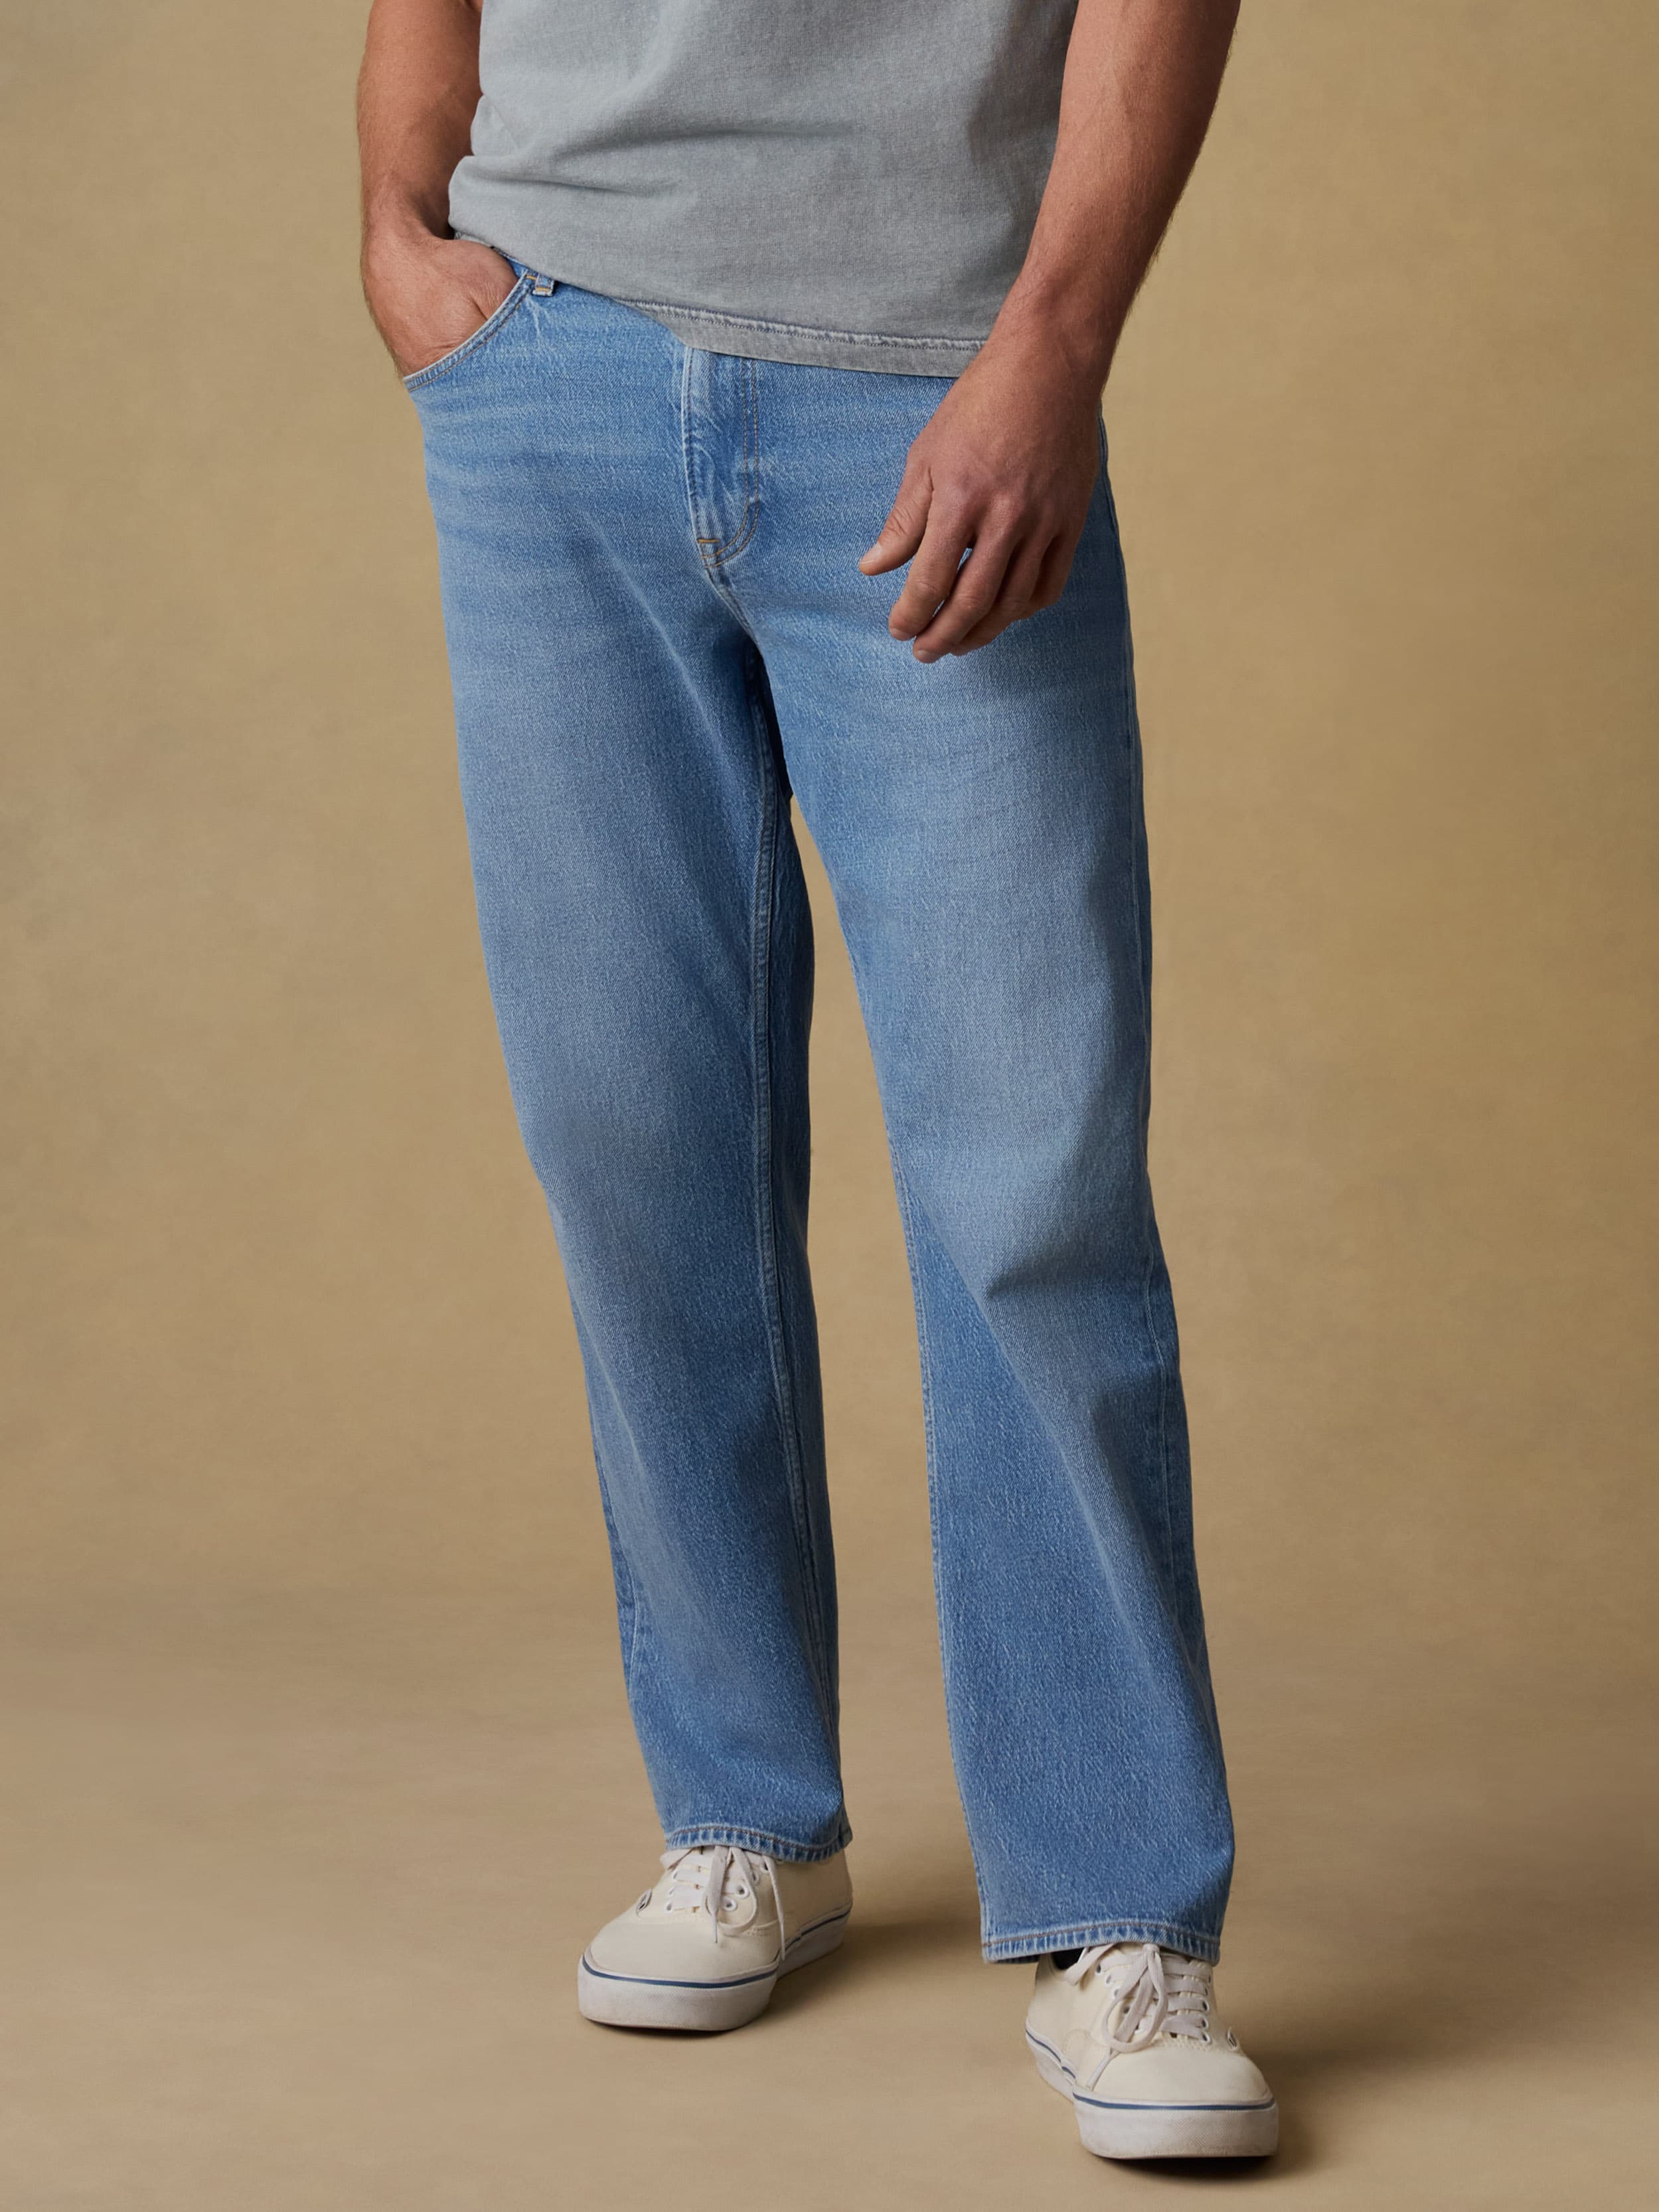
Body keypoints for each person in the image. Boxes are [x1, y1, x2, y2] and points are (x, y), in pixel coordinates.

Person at [356, 0, 1275, 2163]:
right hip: (546, 364)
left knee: (1028, 1180)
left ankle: (1121, 1913)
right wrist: (402, 232)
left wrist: (1053, 341)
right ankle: (745, 1815)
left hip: (937, 369)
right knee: (632, 1134)